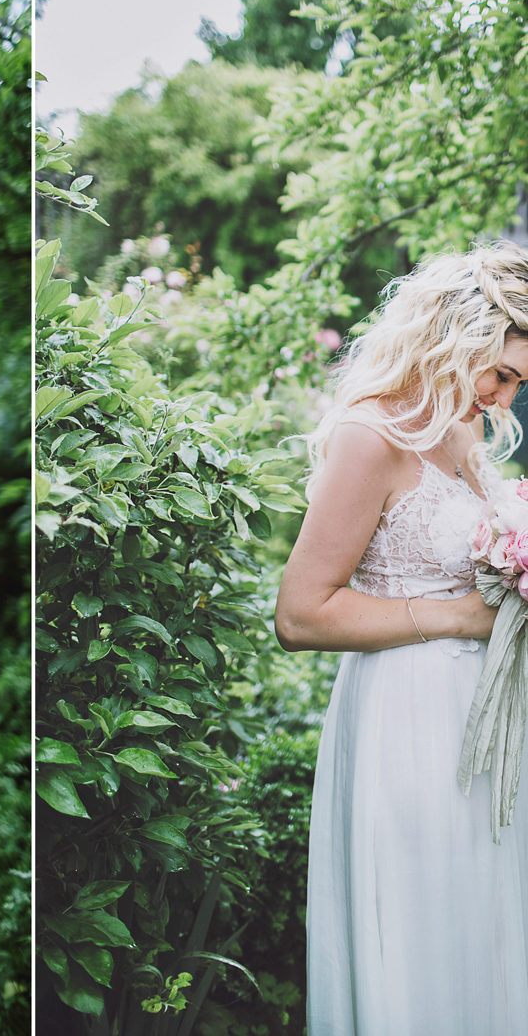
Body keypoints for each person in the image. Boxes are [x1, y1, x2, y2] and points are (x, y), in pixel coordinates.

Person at [275, 243, 528, 1036]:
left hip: (484, 723)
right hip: (408, 722)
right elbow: (301, 613)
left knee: (480, 930)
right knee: (421, 933)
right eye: (501, 371)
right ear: (455, 335)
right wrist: (458, 616)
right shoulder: (371, 435)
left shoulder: (461, 436)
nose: (504, 396)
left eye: (516, 381)